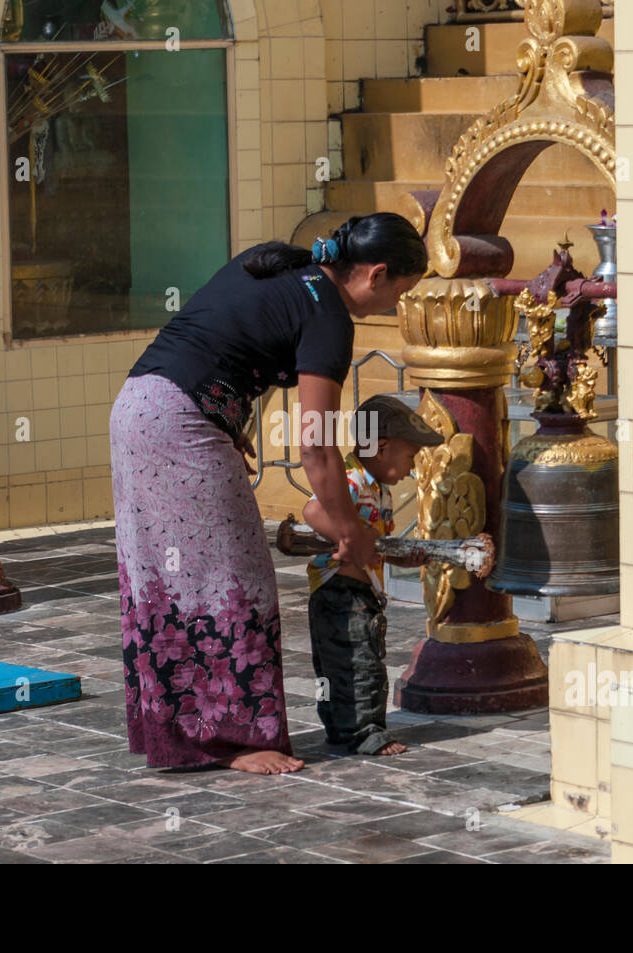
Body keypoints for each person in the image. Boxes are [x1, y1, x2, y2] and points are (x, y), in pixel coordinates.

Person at [109, 213, 428, 775]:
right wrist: (352, 532)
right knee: (235, 581)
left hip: (141, 408)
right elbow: (319, 449)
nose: (393, 307)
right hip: (180, 425)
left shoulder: (287, 268)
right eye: (399, 293)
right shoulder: (328, 314)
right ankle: (233, 741)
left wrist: (231, 426)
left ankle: (185, 735)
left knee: (171, 577)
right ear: (375, 274)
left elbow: (220, 345)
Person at [302, 395, 444, 756]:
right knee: (358, 665)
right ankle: (363, 732)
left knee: (347, 663)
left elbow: (379, 544)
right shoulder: (350, 481)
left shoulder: (378, 491)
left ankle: (341, 728)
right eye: (410, 456)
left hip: (359, 594)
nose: (412, 468)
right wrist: (346, 536)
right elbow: (313, 510)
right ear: (382, 448)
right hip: (340, 593)